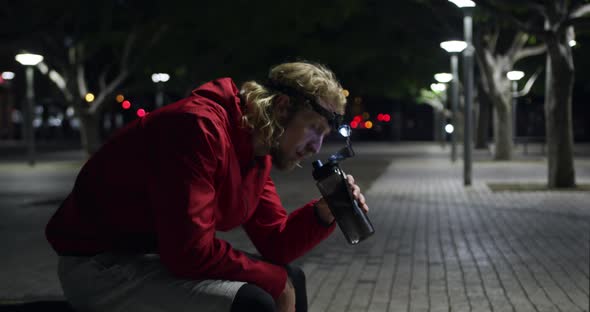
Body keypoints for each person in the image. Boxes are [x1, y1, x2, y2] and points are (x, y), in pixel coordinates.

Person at [46, 61, 369, 312]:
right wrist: (275, 281)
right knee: (254, 301)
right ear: (283, 106)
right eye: (315, 128)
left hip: (146, 256)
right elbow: (189, 252)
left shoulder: (256, 150)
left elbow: (275, 243)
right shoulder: (198, 128)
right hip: (98, 266)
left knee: (290, 277)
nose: (316, 146)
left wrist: (323, 214)